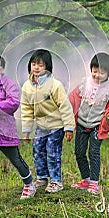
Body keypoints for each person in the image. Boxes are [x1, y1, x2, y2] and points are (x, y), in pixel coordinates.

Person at [0, 53, 36, 200]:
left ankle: (29, 184)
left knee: (15, 159)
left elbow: (14, 103)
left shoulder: (8, 85)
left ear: (0, 69)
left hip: (4, 132)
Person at [21, 49, 75, 193]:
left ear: (48, 67)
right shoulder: (27, 86)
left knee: (52, 151)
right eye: (33, 64)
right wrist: (26, 130)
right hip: (40, 126)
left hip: (56, 126)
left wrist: (68, 127)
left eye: (40, 65)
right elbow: (26, 109)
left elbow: (65, 106)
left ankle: (56, 181)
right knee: (38, 150)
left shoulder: (55, 85)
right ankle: (42, 177)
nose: (36, 67)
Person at [69, 52, 109, 194]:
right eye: (95, 71)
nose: (97, 75)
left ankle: (94, 183)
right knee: (79, 153)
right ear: (91, 69)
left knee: (94, 153)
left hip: (97, 127)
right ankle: (85, 179)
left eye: (102, 72)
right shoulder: (84, 83)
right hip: (81, 124)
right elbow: (73, 99)